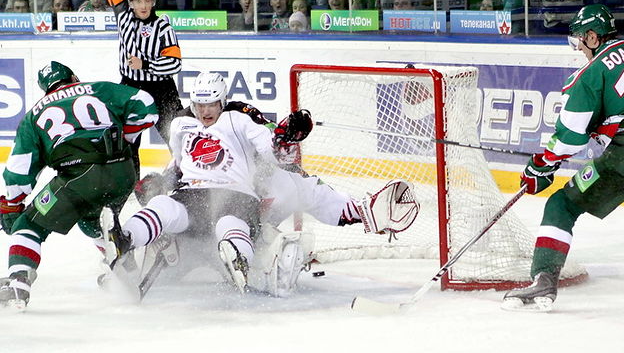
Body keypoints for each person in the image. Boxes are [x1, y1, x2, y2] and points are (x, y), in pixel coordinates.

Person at [117, 73, 419, 297]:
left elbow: (276, 151)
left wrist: (284, 139)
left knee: (268, 209)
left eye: (212, 104)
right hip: (194, 217)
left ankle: (360, 213)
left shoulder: (244, 122)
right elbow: (180, 165)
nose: (205, 111)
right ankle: (129, 242)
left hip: (241, 212)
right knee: (166, 216)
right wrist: (160, 183)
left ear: (223, 102)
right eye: (199, 105)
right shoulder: (186, 124)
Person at [0, 61, 158, 309]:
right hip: (123, 172)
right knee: (92, 221)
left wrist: (12, 204)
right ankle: (125, 269)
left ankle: (17, 284)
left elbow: (18, 171)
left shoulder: (34, 116)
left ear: (46, 89)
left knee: (29, 223)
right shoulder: (99, 89)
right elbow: (146, 104)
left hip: (80, 179)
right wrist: (126, 138)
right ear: (74, 77)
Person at [502, 4, 624, 312]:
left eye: (578, 40)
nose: (578, 48)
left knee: (562, 205)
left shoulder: (590, 74)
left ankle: (544, 279)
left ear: (593, 37)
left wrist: (541, 166)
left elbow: (569, 138)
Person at [102, 0, 183, 160]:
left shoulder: (163, 27)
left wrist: (145, 64)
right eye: (138, 1)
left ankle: (186, 175)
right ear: (131, 3)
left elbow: (174, 63)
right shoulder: (123, 16)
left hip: (162, 89)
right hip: (130, 86)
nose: (143, 6)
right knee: (127, 142)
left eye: (147, 1)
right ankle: (130, 178)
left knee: (176, 137)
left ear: (153, 2)